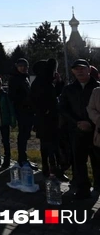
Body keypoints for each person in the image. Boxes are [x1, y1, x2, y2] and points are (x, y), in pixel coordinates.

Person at [60, 59, 100, 199]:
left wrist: (90, 123)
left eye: (82, 68)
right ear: (72, 71)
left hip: (96, 131)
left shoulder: (97, 88)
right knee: (79, 161)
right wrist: (78, 122)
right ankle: (83, 188)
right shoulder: (68, 89)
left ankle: (98, 186)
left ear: (89, 70)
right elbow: (63, 109)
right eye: (76, 69)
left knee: (98, 161)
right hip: (77, 131)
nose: (79, 71)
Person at [30, 59, 65, 179]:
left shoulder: (46, 82)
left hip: (51, 119)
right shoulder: (39, 83)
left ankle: (52, 168)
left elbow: (55, 94)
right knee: (49, 145)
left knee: (51, 144)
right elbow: (36, 102)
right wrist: (45, 110)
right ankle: (51, 169)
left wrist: (59, 82)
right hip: (44, 120)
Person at [7, 58, 36, 169]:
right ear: (17, 66)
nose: (23, 68)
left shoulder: (25, 77)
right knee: (23, 135)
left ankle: (23, 158)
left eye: (25, 66)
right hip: (21, 110)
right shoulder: (14, 79)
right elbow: (13, 96)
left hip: (28, 110)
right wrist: (25, 101)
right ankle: (22, 159)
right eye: (21, 66)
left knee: (26, 134)